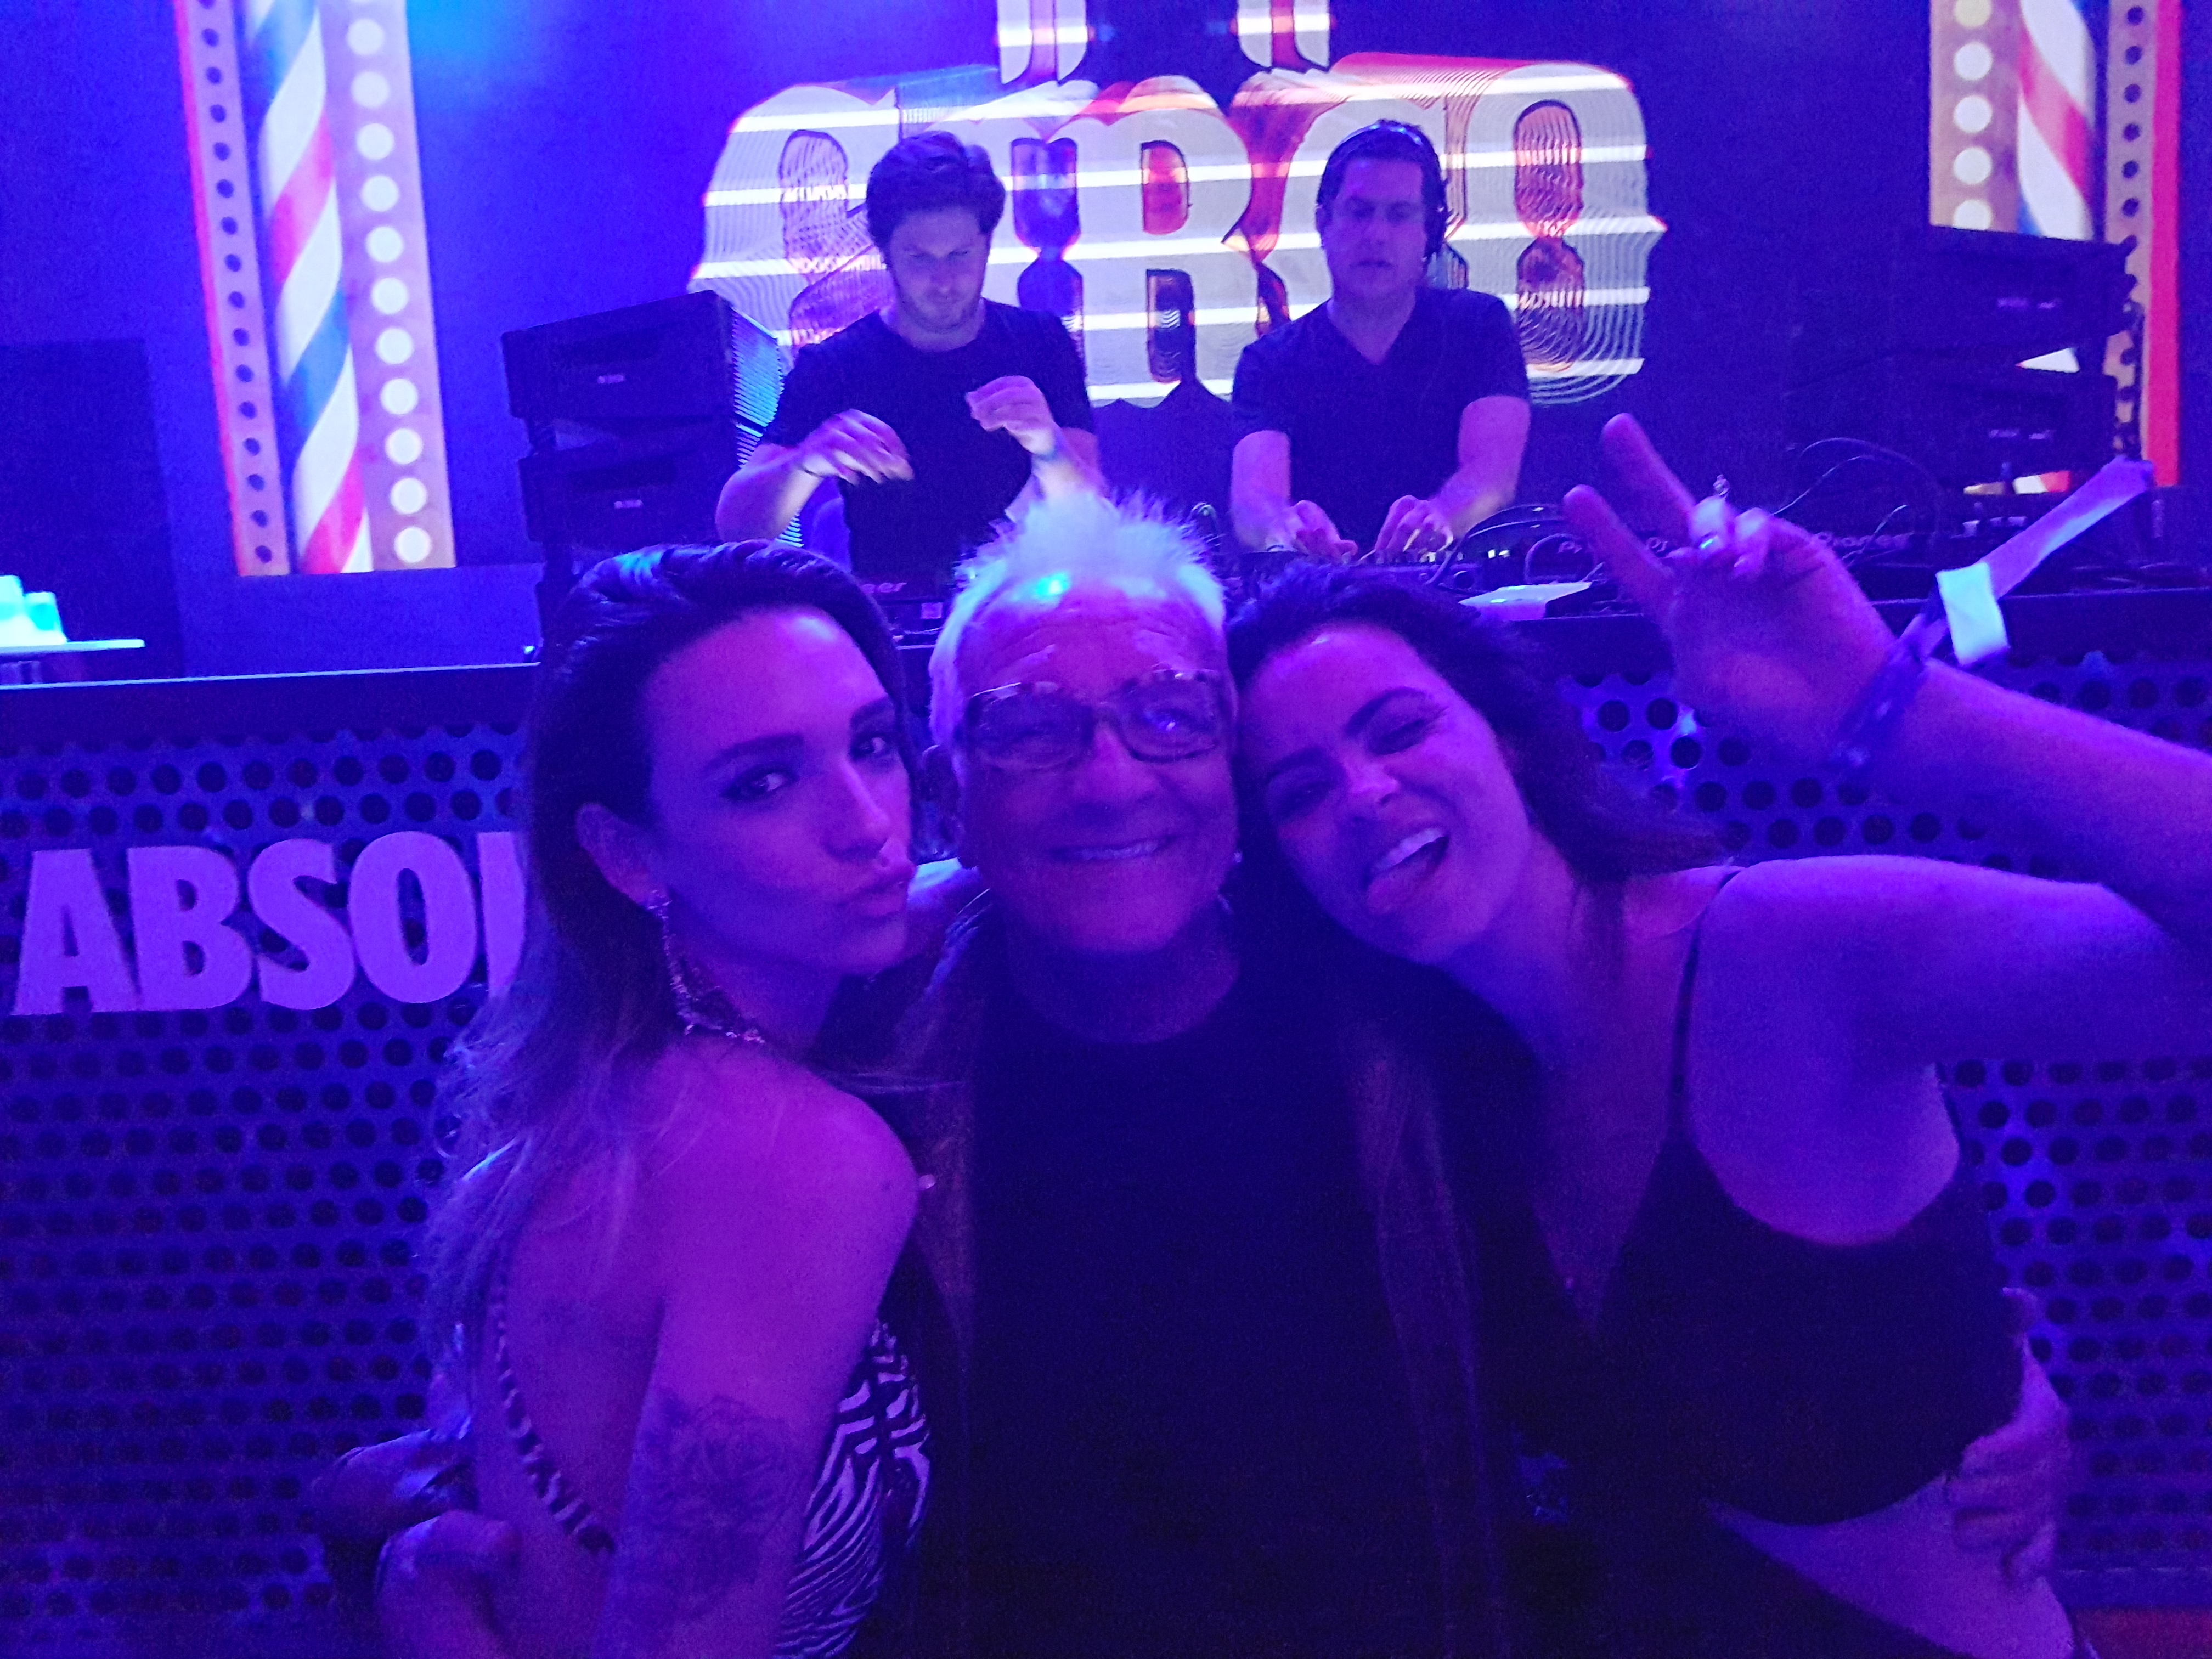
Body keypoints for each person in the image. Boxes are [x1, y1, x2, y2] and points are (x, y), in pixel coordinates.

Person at [354, 496, 2073, 1659]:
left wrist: (1961, 1364)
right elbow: (559, 1389)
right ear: (956, 782)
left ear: (1240, 771)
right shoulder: (866, 1040)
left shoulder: (1404, 1000)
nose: (1111, 778)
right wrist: (409, 1526)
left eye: (1175, 716)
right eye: (1031, 729)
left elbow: (1680, 1228)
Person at [1227, 415, 2212, 1656]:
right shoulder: (1422, 1093)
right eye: (1301, 791)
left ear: (1507, 737)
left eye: (1398, 729)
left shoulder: (1776, 953)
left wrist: (1892, 710)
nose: (1365, 795)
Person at [381, 543, 932, 1659]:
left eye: (873, 744)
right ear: (629, 855)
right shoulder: (795, 1155)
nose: (867, 822)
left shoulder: (606, 1085)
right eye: (763, 782)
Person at [716, 132, 1102, 595]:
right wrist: (806, 461)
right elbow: (736, 527)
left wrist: (1050, 447)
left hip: (1018, 603)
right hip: (890, 613)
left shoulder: (1040, 343)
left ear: (986, 244)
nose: (944, 282)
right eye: (919, 259)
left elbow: (1093, 522)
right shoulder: (835, 364)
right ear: (886, 254)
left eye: (961, 255)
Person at [1229, 121, 1531, 563]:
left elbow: (1493, 476)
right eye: (1359, 212)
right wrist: (1285, 531)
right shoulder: (1270, 363)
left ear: (1430, 232)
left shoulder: (1479, 326)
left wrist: (1439, 520)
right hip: (1319, 593)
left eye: (1399, 214)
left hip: (1455, 588)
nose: (1376, 235)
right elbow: (1254, 502)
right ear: (1324, 224)